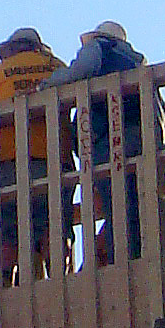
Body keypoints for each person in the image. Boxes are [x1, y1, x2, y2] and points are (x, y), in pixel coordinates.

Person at [0, 27, 61, 284]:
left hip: (7, 162)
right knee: (53, 225)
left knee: (8, 232)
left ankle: (4, 284)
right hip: (53, 158)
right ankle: (60, 278)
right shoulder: (55, 66)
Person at [57, 21, 148, 263]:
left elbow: (81, 70)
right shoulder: (137, 63)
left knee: (115, 204)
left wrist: (47, 86)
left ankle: (120, 259)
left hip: (108, 139)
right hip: (138, 138)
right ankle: (134, 255)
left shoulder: (101, 47)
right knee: (133, 203)